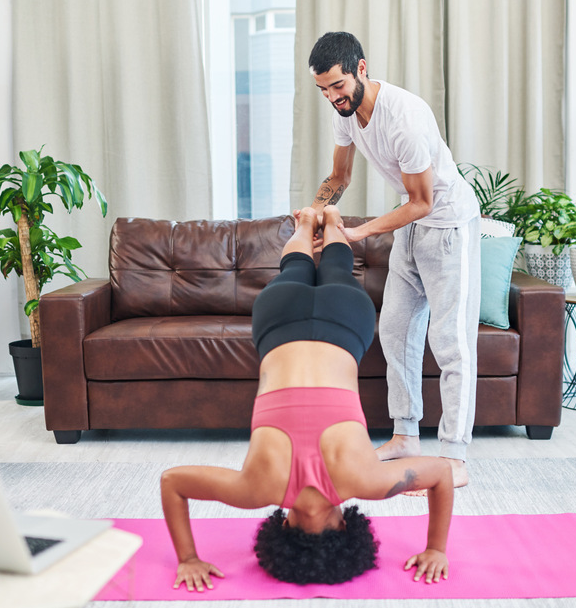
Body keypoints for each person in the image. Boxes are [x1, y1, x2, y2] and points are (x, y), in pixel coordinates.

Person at [160, 206, 454, 592]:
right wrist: (188, 558)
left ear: (346, 526)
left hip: (344, 323)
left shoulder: (366, 480)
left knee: (335, 271)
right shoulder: (256, 489)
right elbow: (171, 482)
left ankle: (332, 222)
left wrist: (436, 549)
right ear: (282, 528)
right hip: (279, 321)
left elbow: (443, 474)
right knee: (294, 271)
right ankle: (303, 225)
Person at [302, 32, 481, 487]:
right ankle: (405, 436)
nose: (332, 97)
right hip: (413, 228)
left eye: (337, 86)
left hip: (447, 226)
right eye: (323, 90)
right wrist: (313, 212)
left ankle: (455, 456)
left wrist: (357, 231)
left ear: (361, 68)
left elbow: (422, 200)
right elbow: (339, 175)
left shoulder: (405, 117)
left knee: (451, 341)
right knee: (395, 328)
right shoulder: (346, 113)